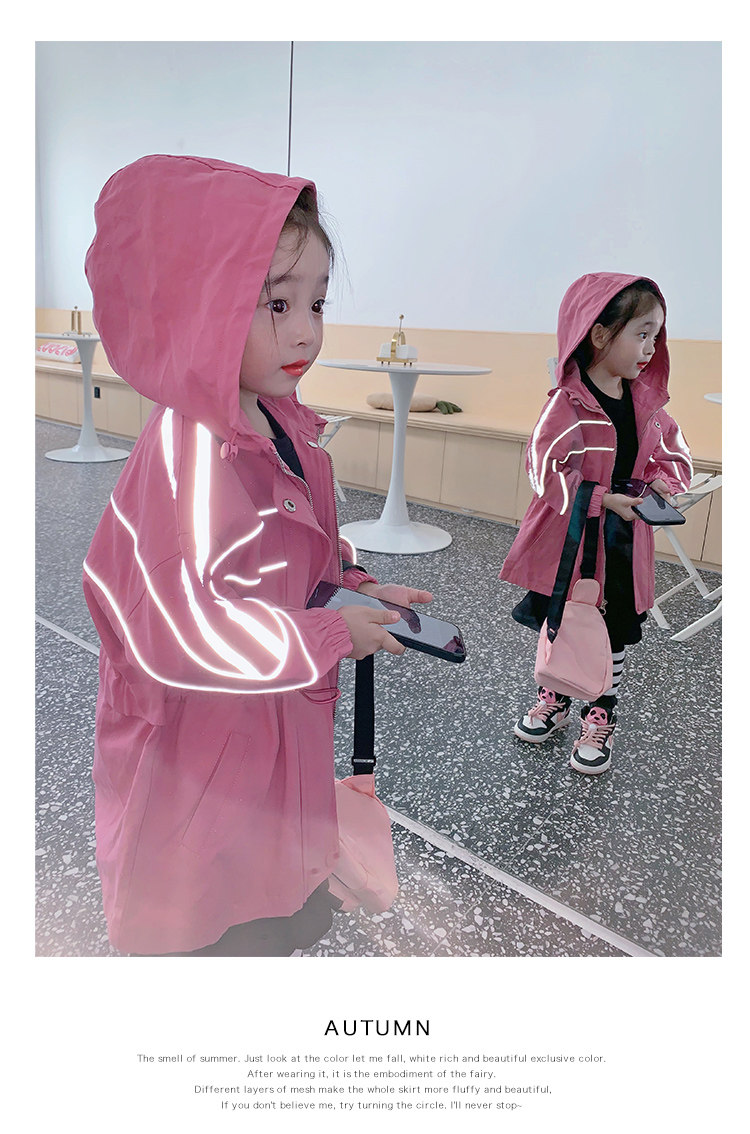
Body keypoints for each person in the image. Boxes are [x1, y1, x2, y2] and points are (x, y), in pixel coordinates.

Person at [82, 154, 432, 956]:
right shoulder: (185, 454)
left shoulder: (284, 424)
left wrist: (354, 586)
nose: (306, 329)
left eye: (317, 302)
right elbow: (176, 627)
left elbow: (300, 549)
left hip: (273, 727)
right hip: (199, 757)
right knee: (213, 920)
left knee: (272, 897)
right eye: (276, 303)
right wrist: (332, 633)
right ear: (202, 305)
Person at [500, 273, 692, 775]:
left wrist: (664, 482)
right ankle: (557, 696)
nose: (651, 348)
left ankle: (601, 712)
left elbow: (674, 455)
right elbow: (542, 468)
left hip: (623, 542)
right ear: (600, 333)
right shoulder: (567, 403)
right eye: (641, 334)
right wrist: (601, 498)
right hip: (570, 542)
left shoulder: (647, 405)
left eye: (656, 336)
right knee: (564, 620)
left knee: (614, 630)